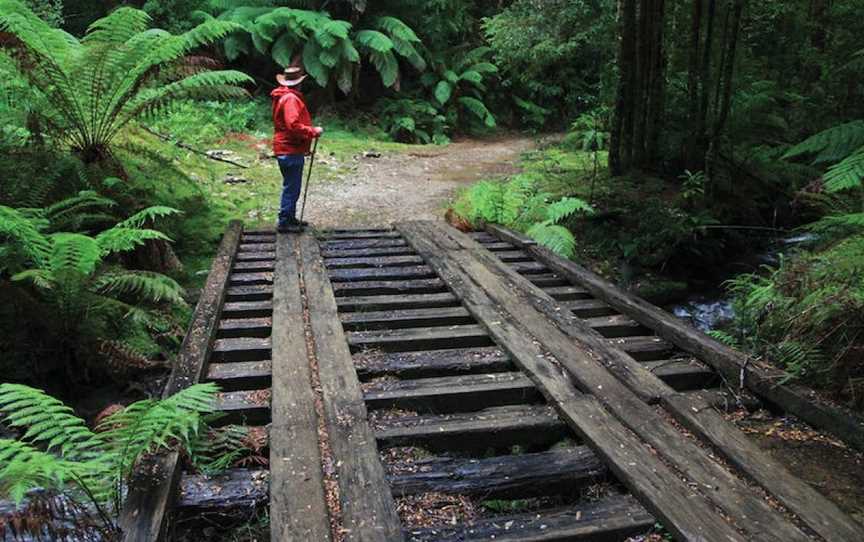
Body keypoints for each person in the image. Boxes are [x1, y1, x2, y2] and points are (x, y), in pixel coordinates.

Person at [271, 64, 324, 233]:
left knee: (292, 186)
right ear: (298, 83)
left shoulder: (284, 96)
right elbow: (293, 125)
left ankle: (290, 217)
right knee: (292, 187)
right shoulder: (291, 99)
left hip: (287, 148)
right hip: (289, 149)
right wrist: (313, 131)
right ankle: (285, 222)